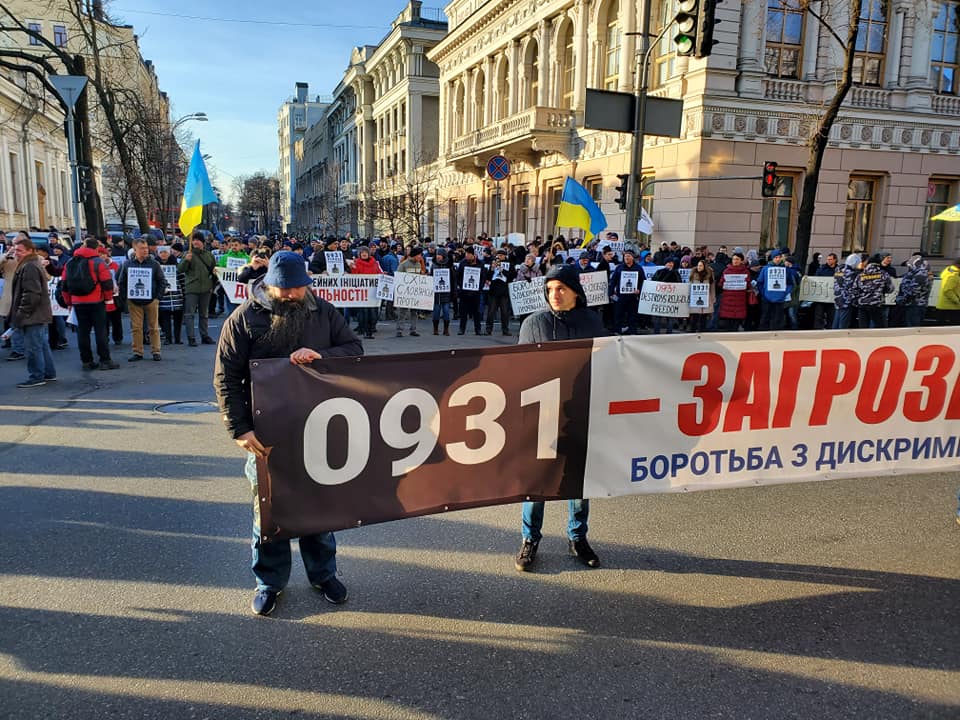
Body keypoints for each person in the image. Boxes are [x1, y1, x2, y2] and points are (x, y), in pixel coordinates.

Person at [213, 251, 363, 616]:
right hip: (264, 432)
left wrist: (322, 354)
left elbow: (355, 350)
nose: (294, 294)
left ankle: (323, 574)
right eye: (287, 289)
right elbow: (227, 378)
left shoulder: (322, 311)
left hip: (317, 427)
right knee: (268, 510)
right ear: (269, 285)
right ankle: (269, 581)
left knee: (317, 507)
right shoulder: (243, 319)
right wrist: (239, 429)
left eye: (300, 287)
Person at [514, 264, 606, 572]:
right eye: (550, 289)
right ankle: (530, 539)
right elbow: (520, 371)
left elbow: (607, 364)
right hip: (543, 416)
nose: (554, 294)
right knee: (537, 482)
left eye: (561, 288)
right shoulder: (533, 324)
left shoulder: (593, 323)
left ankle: (577, 538)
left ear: (576, 293)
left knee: (578, 483)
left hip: (580, 414)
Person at [60, 237, 119, 370]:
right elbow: (107, 282)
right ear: (96, 248)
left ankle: (86, 361)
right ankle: (105, 360)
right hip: (96, 300)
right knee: (101, 331)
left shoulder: (70, 262)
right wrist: (108, 298)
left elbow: (64, 284)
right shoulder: (97, 262)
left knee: (83, 332)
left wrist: (68, 302)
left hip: (77, 301)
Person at [8, 235, 56, 387]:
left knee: (33, 347)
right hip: (37, 313)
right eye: (15, 250)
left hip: (32, 314)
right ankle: (48, 373)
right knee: (41, 344)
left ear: (30, 250)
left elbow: (31, 294)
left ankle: (37, 376)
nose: (16, 253)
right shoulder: (32, 263)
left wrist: (22, 313)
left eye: (20, 250)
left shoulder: (29, 266)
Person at [117, 239, 167, 361]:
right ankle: (138, 352)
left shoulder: (154, 264)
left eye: (146, 248)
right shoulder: (127, 264)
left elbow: (162, 281)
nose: (145, 250)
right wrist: (125, 298)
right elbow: (122, 282)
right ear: (135, 250)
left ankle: (156, 351)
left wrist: (157, 298)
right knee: (136, 327)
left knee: (154, 327)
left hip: (151, 300)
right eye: (142, 248)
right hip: (134, 301)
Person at [180, 232, 217, 346]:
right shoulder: (187, 254)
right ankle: (191, 337)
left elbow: (214, 271)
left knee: (204, 314)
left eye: (198, 240)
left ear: (203, 242)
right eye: (194, 240)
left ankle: (204, 335)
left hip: (206, 288)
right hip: (192, 287)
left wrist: (212, 285)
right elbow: (181, 269)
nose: (195, 242)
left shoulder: (209, 255)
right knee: (190, 314)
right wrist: (186, 260)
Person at [754, 249, 796, 331]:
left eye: (779, 257)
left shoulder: (786, 270)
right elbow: (760, 282)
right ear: (772, 258)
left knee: (778, 320)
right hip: (767, 299)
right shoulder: (765, 269)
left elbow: (790, 283)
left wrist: (785, 293)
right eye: (776, 257)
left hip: (780, 299)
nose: (778, 259)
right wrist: (764, 294)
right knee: (765, 318)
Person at [854, 253, 894, 329]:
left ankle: (863, 340)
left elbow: (855, 289)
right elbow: (890, 288)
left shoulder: (861, 275)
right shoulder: (883, 274)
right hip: (876, 304)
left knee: (863, 328)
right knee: (879, 327)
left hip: (862, 304)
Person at [156, 245, 185, 345]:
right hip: (164, 298)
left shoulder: (177, 265)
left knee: (178, 319)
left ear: (169, 253)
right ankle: (168, 338)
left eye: (165, 252)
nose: (163, 254)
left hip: (177, 297)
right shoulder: (156, 266)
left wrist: (184, 294)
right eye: (161, 252)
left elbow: (182, 280)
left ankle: (177, 338)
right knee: (165, 320)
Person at [351, 245, 382, 339]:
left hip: (373, 291)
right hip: (362, 292)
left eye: (365, 252)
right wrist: (353, 268)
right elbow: (354, 277)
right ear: (359, 254)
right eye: (362, 253)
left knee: (373, 311)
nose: (364, 254)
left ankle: (372, 327)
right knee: (363, 311)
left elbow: (379, 273)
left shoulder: (375, 263)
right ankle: (363, 328)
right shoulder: (356, 264)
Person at [395, 246, 425, 337]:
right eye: (419, 255)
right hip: (405, 292)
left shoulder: (419, 265)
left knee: (414, 312)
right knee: (402, 312)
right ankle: (399, 330)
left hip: (414, 293)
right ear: (414, 255)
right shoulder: (403, 264)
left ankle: (413, 329)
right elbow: (398, 277)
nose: (420, 257)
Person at [896, 254, 932, 327]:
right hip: (912, 304)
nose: (908, 267)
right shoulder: (915, 273)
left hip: (915, 305)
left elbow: (914, 291)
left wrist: (903, 299)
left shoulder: (920, 274)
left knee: (912, 327)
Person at [717, 252, 750, 330]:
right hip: (728, 300)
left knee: (736, 323)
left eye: (737, 259)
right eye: (734, 259)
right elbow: (721, 283)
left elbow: (748, 284)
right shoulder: (726, 271)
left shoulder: (745, 272)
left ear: (741, 261)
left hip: (740, 300)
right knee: (728, 323)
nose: (735, 261)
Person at [484, 251, 514, 336]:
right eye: (497, 255)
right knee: (491, 312)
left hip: (504, 292)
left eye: (500, 255)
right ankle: (488, 329)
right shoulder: (493, 263)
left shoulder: (509, 264)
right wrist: (492, 269)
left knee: (504, 312)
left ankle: (505, 329)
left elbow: (511, 276)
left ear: (504, 256)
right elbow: (488, 277)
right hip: (493, 291)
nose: (499, 257)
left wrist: (503, 270)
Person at [455, 246, 484, 335]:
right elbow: (458, 276)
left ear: (473, 255)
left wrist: (479, 287)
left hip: (476, 292)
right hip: (465, 291)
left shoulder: (480, 263)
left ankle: (478, 329)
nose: (466, 255)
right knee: (463, 312)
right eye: (465, 254)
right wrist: (461, 285)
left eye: (468, 254)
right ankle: (462, 329)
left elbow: (483, 277)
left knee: (476, 312)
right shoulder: (463, 263)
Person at [687, 258, 715, 334]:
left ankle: (702, 331)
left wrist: (713, 298)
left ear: (704, 267)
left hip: (706, 298)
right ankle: (692, 331)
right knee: (694, 316)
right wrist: (688, 297)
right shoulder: (693, 275)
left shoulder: (709, 276)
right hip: (695, 299)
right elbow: (689, 286)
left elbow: (712, 287)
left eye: (701, 266)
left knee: (704, 317)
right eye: (698, 265)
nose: (699, 267)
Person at [935, 256, 960, 325]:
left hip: (943, 305)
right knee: (952, 329)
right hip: (951, 307)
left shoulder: (948, 270)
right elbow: (947, 290)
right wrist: (957, 300)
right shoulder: (953, 275)